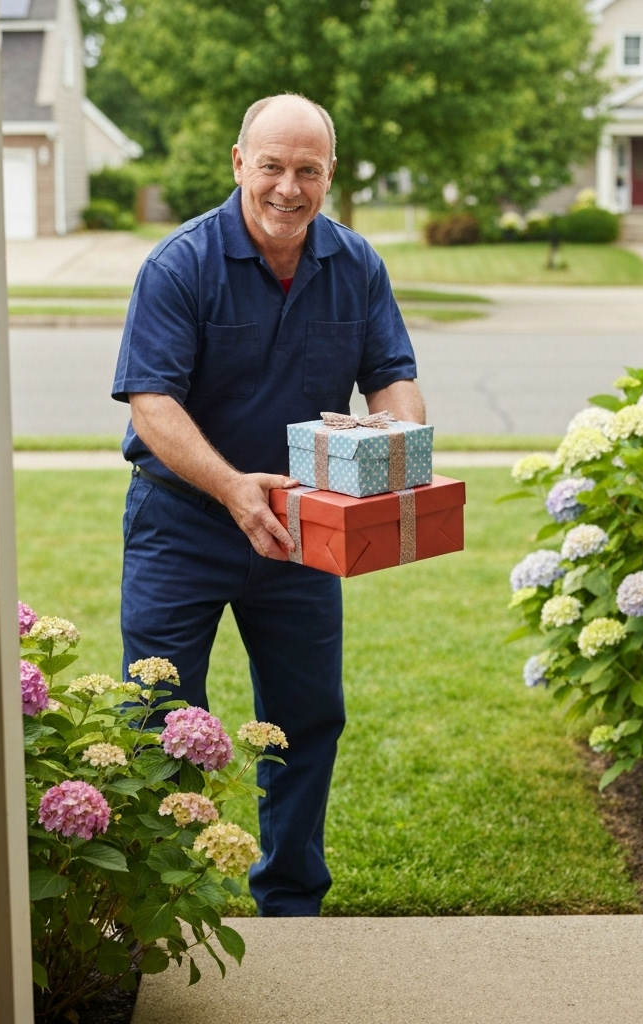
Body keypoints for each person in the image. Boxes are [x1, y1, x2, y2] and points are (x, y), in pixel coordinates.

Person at [112, 93, 424, 916]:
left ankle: (290, 902)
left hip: (299, 528)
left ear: (329, 175)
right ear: (239, 163)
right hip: (180, 522)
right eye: (273, 166)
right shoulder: (179, 265)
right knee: (160, 717)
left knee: (307, 718)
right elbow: (151, 402)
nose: (290, 187)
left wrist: (402, 447)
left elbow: (391, 373)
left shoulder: (355, 263)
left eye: (308, 170)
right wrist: (231, 486)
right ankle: (158, 912)